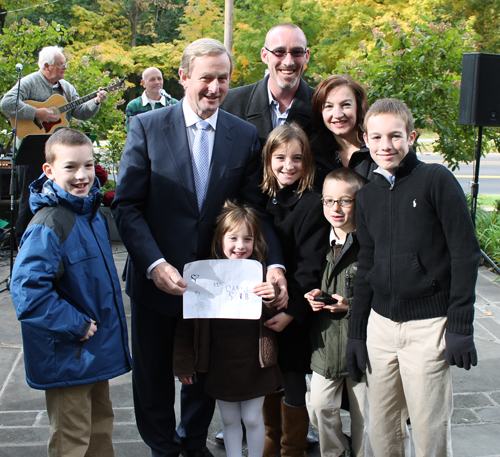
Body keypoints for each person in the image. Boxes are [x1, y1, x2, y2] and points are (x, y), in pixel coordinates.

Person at [111, 38, 286, 457]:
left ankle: (193, 444)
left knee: (204, 371)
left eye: (223, 78)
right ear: (184, 77)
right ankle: (162, 449)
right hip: (156, 280)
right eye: (206, 77)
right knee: (153, 376)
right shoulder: (147, 127)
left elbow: (252, 210)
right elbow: (127, 206)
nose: (214, 87)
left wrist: (274, 263)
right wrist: (154, 262)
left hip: (214, 286)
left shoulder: (243, 135)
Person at [346, 98, 480, 456]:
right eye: (376, 137)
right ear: (365, 139)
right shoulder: (367, 195)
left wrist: (461, 325)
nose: (385, 146)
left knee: (428, 430)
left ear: (412, 136)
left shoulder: (436, 180)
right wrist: (357, 334)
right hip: (381, 327)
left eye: (395, 136)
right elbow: (366, 265)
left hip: (428, 326)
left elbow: (465, 254)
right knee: (382, 429)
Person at [10, 128, 132, 457]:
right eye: (71, 167)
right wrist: (75, 324)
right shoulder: (49, 223)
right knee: (72, 438)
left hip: (93, 354)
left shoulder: (88, 215)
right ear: (48, 171)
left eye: (89, 165)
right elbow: (27, 291)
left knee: (100, 427)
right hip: (69, 357)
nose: (82, 176)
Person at [174, 200, 282, 457]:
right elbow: (187, 323)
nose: (240, 245)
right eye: (233, 238)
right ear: (220, 238)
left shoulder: (262, 272)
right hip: (220, 362)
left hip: (254, 363)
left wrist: (271, 297)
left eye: (248, 239)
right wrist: (183, 363)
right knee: (230, 420)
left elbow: (274, 315)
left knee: (254, 418)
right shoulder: (203, 274)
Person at [260, 123, 330, 457]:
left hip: (293, 312)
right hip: (261, 308)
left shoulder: (312, 204)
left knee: (291, 381)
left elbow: (311, 265)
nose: (288, 165)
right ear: (268, 160)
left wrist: (291, 313)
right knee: (266, 378)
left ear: (308, 162)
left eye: (297, 158)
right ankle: (271, 444)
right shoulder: (260, 200)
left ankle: (293, 449)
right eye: (280, 157)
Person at [1, 46, 108, 246]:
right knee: (29, 195)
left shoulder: (66, 87)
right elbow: (6, 103)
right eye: (61, 64)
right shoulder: (29, 82)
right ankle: (22, 241)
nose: (65, 67)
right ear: (47, 66)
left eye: (64, 64)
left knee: (59, 193)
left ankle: (55, 237)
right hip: (31, 148)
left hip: (57, 152)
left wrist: (96, 102)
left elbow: (81, 112)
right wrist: (37, 113)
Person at [305, 168, 371, 457]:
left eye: (345, 201)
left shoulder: (371, 243)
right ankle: (335, 451)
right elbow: (304, 278)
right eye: (329, 201)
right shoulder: (316, 241)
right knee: (319, 406)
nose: (336, 208)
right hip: (326, 344)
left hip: (363, 347)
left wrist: (350, 305)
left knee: (366, 420)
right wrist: (309, 296)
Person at [221, 23, 314, 147]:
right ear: (264, 55)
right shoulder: (230, 105)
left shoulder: (322, 107)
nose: (288, 62)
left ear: (306, 56)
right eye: (279, 52)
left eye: (297, 52)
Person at [310, 75, 377, 188]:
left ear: (358, 107)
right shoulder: (314, 154)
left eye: (346, 105)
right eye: (329, 106)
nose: (338, 115)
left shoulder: (378, 148)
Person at [125, 67, 178, 131]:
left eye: (159, 79)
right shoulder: (134, 106)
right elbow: (132, 136)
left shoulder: (174, 104)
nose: (157, 82)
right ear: (143, 83)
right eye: (152, 79)